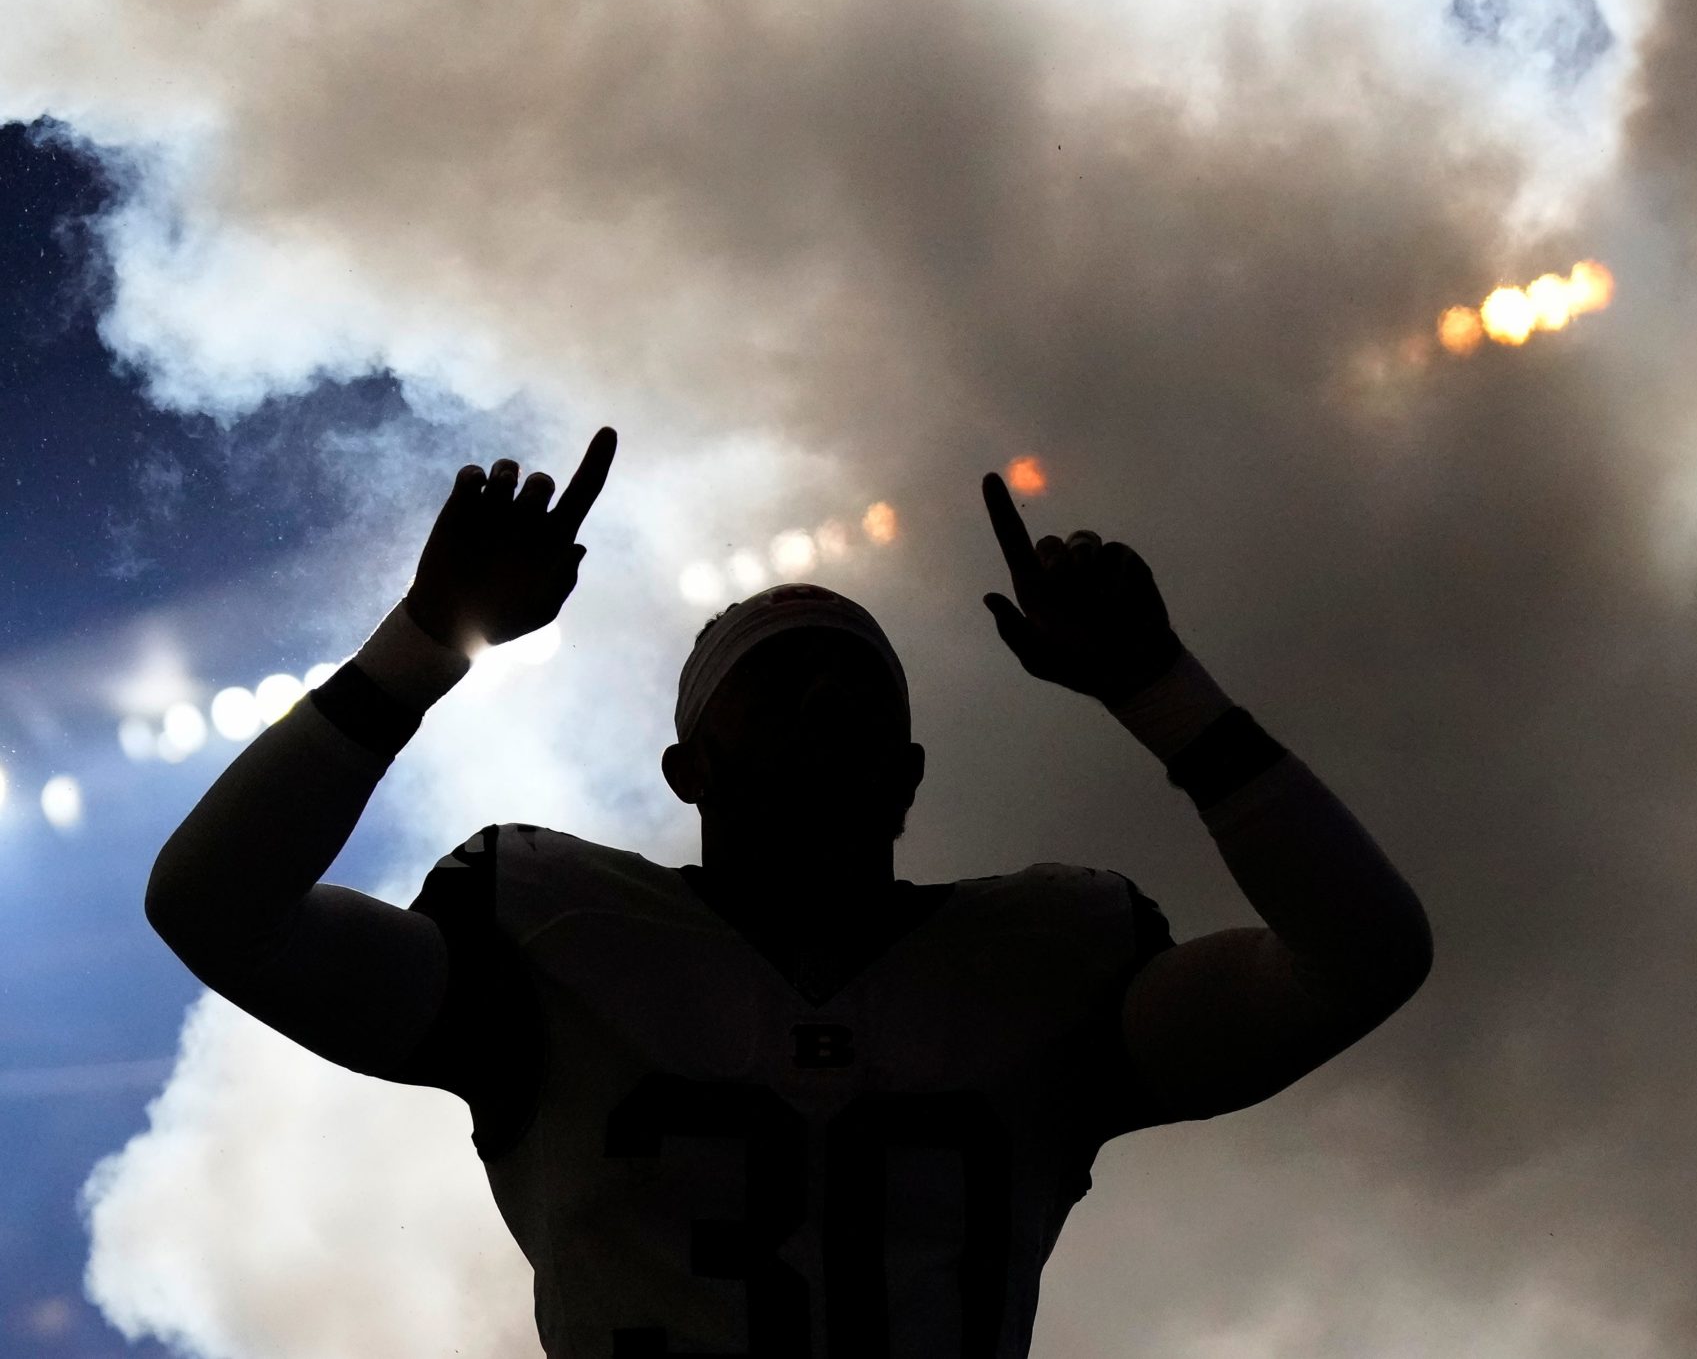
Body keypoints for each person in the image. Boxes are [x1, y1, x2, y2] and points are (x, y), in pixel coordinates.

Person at [145, 427, 1434, 1358]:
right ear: (687, 769)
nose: (828, 697)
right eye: (784, 680)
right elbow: (213, 908)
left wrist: (1164, 690)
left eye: (859, 688)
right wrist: (424, 640)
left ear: (911, 776)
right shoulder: (547, 928)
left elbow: (1364, 959)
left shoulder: (1050, 952)